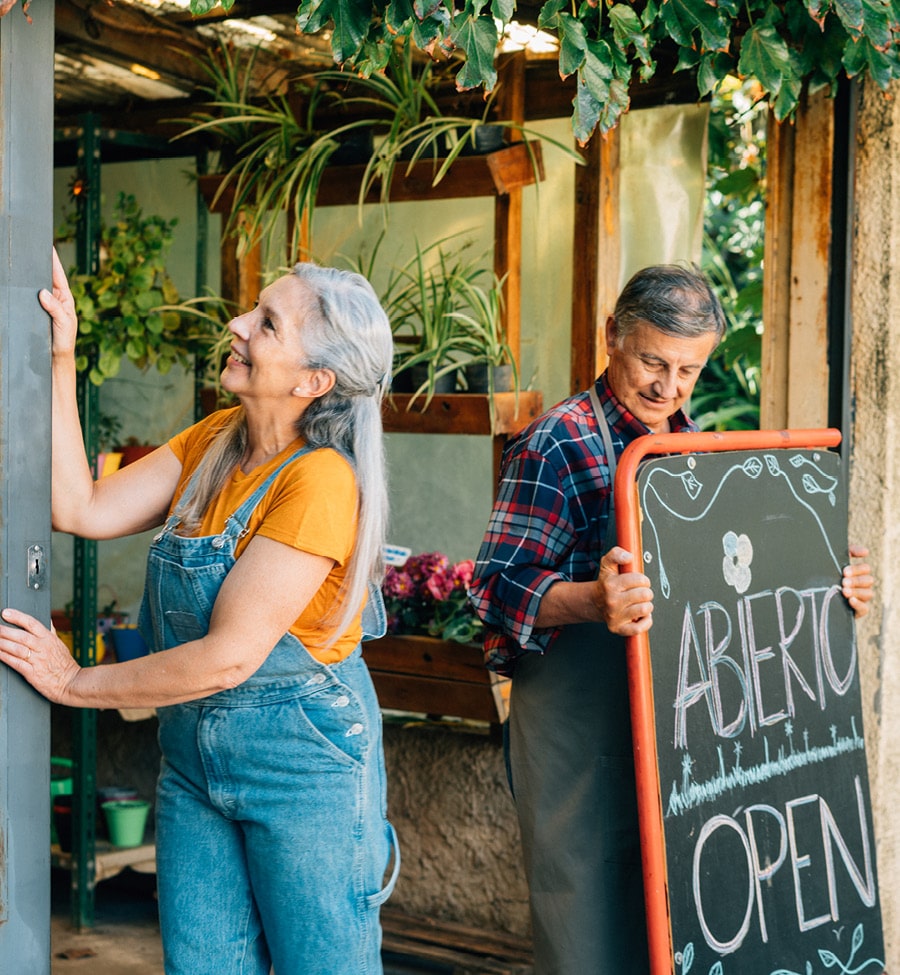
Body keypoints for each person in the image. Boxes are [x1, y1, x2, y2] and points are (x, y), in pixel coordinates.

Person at [0, 249, 400, 975]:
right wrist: (63, 355)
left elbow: (228, 657)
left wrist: (73, 683)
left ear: (315, 381)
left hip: (304, 770)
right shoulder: (218, 440)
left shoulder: (321, 481)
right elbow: (80, 506)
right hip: (193, 762)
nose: (238, 324)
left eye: (268, 323)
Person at [468, 263, 874, 975]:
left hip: (684, 739)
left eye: (688, 369)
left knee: (685, 928)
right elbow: (494, 587)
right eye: (653, 360)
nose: (669, 386)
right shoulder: (556, 444)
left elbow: (752, 583)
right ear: (611, 338)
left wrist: (831, 587)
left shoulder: (701, 455)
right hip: (581, 744)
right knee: (588, 931)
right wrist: (592, 601)